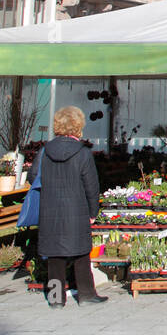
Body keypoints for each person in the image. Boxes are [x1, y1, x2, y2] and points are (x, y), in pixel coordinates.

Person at [39, 106, 105, 307]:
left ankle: (56, 298)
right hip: (76, 209)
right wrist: (93, 211)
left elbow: (34, 177)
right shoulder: (83, 153)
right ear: (78, 127)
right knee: (81, 253)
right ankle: (86, 294)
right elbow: (91, 186)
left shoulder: (45, 151)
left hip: (50, 209)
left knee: (54, 255)